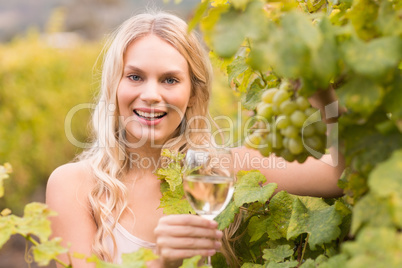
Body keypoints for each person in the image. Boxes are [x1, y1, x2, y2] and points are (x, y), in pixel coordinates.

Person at [45, 11, 344, 268]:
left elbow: (340, 176)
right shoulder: (74, 186)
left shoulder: (221, 172)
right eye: (135, 76)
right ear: (114, 86)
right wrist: (162, 263)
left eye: (170, 80)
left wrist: (325, 98)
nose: (150, 95)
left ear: (192, 95)